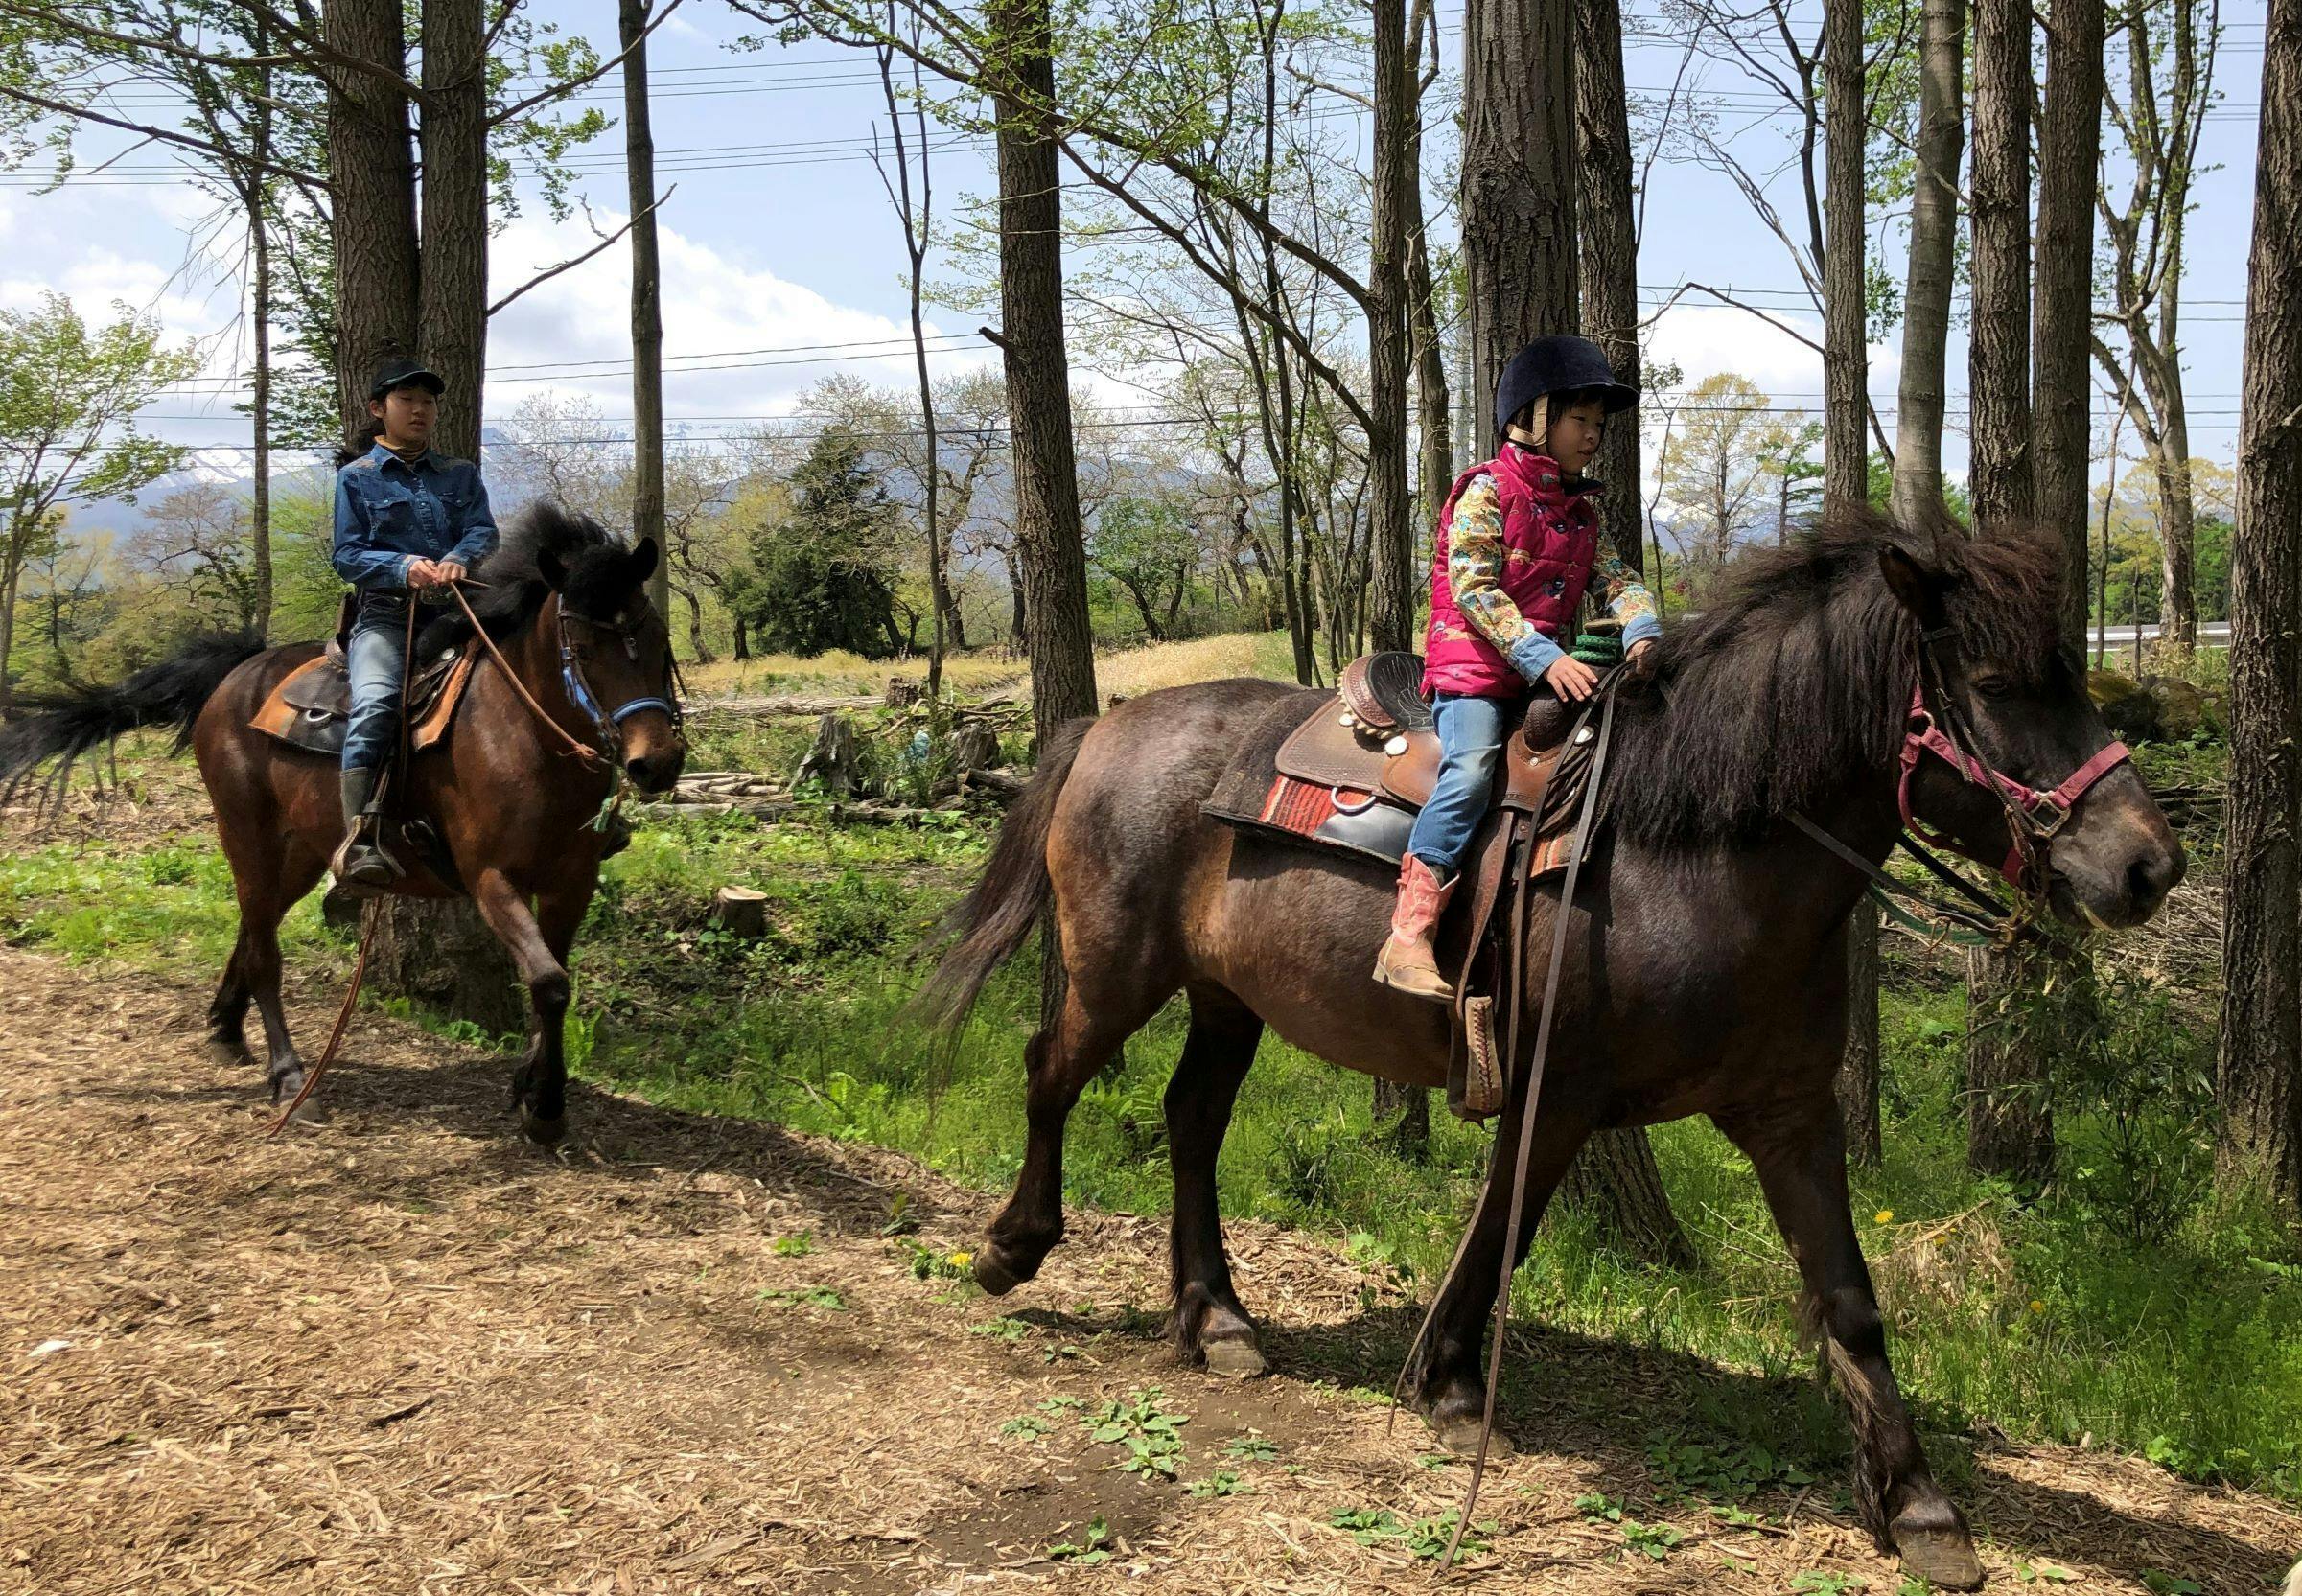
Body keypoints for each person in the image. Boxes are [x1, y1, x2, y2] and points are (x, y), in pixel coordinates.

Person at [1371, 335, 1661, 1001]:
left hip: (1536, 673)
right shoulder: (1483, 490)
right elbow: (1474, 589)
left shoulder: (1581, 514)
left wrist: (1643, 629)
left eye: (1597, 424)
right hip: (1470, 669)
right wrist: (1545, 656)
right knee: (1471, 769)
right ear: (1531, 419)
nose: (1592, 436)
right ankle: (1408, 932)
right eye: (1577, 421)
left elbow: (1618, 580)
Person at [331, 358, 500, 888]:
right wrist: (404, 567)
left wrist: (460, 557)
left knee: (545, 671)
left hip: (460, 611)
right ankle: (358, 840)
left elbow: (483, 530)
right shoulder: (355, 479)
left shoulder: (460, 474)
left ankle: (595, 812)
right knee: (378, 702)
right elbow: (347, 555)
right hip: (386, 616)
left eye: (427, 401)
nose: (420, 410)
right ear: (379, 410)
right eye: (407, 401)